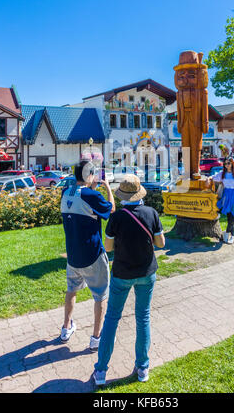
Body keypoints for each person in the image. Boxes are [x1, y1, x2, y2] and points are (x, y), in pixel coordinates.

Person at [92, 174, 165, 386]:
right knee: (143, 317)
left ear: (122, 195)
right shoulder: (151, 213)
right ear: (139, 193)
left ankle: (101, 371)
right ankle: (142, 367)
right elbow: (160, 242)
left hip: (122, 273)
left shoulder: (117, 218)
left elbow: (108, 247)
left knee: (112, 319)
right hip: (146, 272)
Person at [60, 161, 115, 349]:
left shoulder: (64, 192)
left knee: (71, 290)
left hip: (73, 255)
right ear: (89, 175)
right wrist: (107, 187)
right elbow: (111, 210)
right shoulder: (92, 195)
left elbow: (80, 197)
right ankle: (96, 338)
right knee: (100, 296)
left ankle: (66, 327)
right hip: (93, 255)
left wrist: (90, 187)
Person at [208, 157, 234, 244]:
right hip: (226, 196)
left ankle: (226, 234)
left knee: (233, 216)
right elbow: (213, 177)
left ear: (232, 164)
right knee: (229, 217)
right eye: (225, 163)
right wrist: (207, 179)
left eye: (228, 163)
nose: (227, 165)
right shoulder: (222, 174)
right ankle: (233, 237)